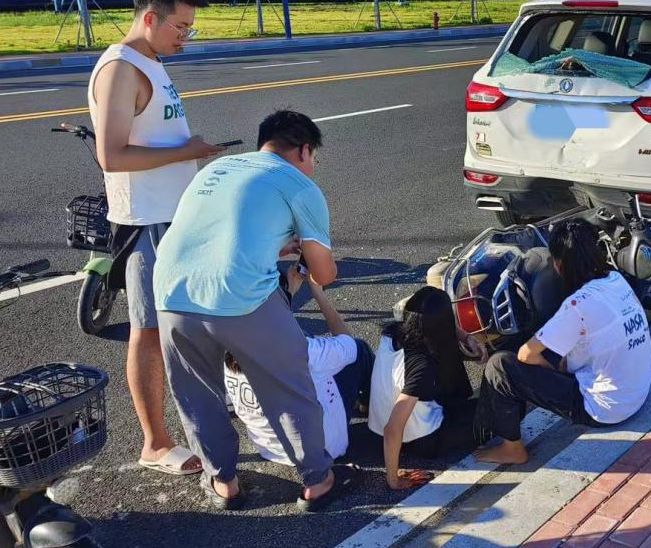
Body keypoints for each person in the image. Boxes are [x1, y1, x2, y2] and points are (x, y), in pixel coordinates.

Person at [154, 109, 355, 512]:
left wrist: (272, 245)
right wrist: (305, 255)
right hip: (240, 296)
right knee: (289, 387)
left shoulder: (217, 169)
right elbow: (324, 273)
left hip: (171, 290)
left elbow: (216, 235)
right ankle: (317, 481)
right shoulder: (300, 185)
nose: (312, 166)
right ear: (303, 150)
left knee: (197, 395)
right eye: (313, 158)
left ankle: (224, 482)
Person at [86, 0, 221, 479]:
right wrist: (187, 151)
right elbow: (111, 155)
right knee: (146, 331)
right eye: (181, 27)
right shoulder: (120, 68)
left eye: (190, 28)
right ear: (150, 17)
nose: (186, 36)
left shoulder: (150, 61)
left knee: (182, 325)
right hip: (145, 221)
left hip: (172, 216)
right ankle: (155, 443)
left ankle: (198, 417)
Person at [474, 219, 651, 465]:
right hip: (638, 392)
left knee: (500, 365)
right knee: (556, 352)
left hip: (606, 409)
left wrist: (552, 371)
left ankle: (512, 449)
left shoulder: (577, 305)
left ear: (559, 265)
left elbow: (526, 355)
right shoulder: (615, 279)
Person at [224, 269, 372, 467]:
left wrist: (288, 292)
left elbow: (268, 319)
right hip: (323, 449)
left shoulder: (224, 342)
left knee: (305, 333)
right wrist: (318, 293)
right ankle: (368, 404)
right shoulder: (300, 350)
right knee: (360, 350)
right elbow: (348, 344)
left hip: (270, 448)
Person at [368, 286, 479, 490]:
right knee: (491, 410)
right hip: (422, 440)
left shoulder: (391, 333)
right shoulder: (422, 366)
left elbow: (434, 325)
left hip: (378, 433)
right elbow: (393, 428)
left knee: (446, 352)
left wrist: (465, 337)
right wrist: (393, 480)